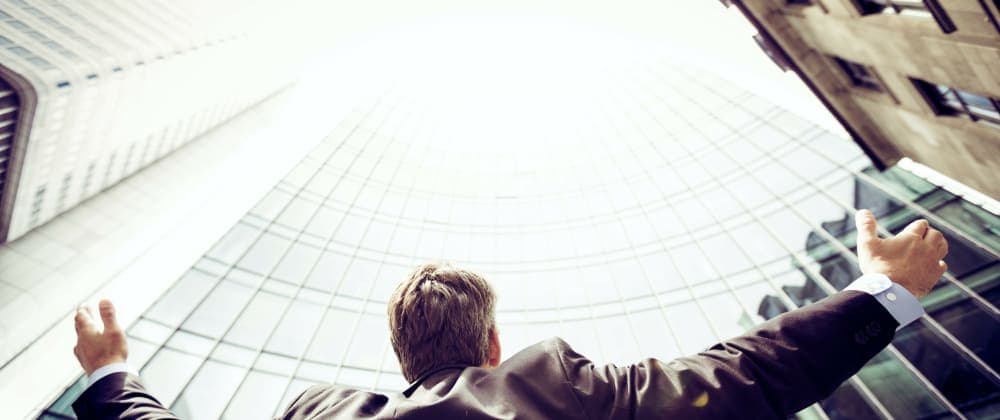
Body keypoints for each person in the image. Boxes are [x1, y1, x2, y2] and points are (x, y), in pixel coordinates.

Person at [71, 210, 948, 419]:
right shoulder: (549, 386)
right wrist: (881, 290)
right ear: (492, 343)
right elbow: (740, 376)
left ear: (403, 357)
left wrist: (114, 373)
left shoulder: (317, 414)